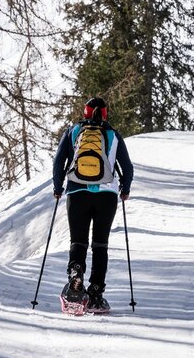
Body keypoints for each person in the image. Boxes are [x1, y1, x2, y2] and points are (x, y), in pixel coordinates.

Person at [52, 96, 134, 314]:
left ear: (86, 112)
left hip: (77, 193)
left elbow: (60, 161)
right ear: (105, 114)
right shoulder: (113, 135)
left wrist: (58, 187)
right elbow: (127, 166)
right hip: (106, 196)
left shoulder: (74, 132)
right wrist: (125, 189)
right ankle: (96, 294)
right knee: (100, 245)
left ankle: (75, 278)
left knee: (78, 242)